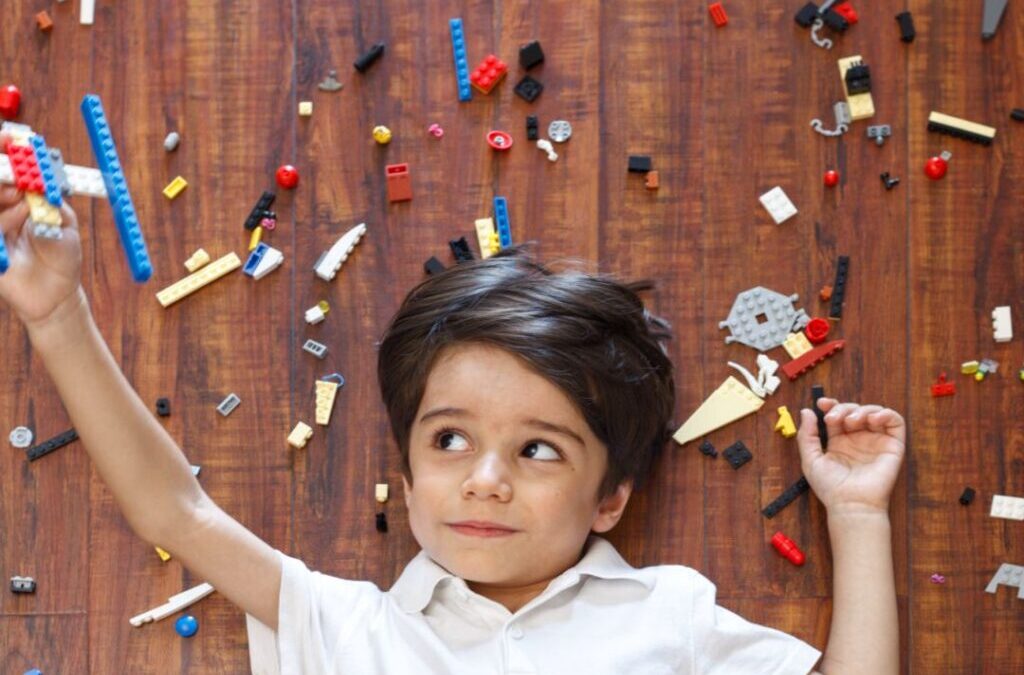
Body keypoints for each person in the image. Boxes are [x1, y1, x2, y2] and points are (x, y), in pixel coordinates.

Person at [0, 155, 905, 673]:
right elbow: (175, 510)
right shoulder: (344, 628)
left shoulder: (666, 613)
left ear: (610, 498)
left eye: (540, 448)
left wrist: (858, 518)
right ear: (406, 465)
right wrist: (57, 313)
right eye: (449, 437)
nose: (484, 476)